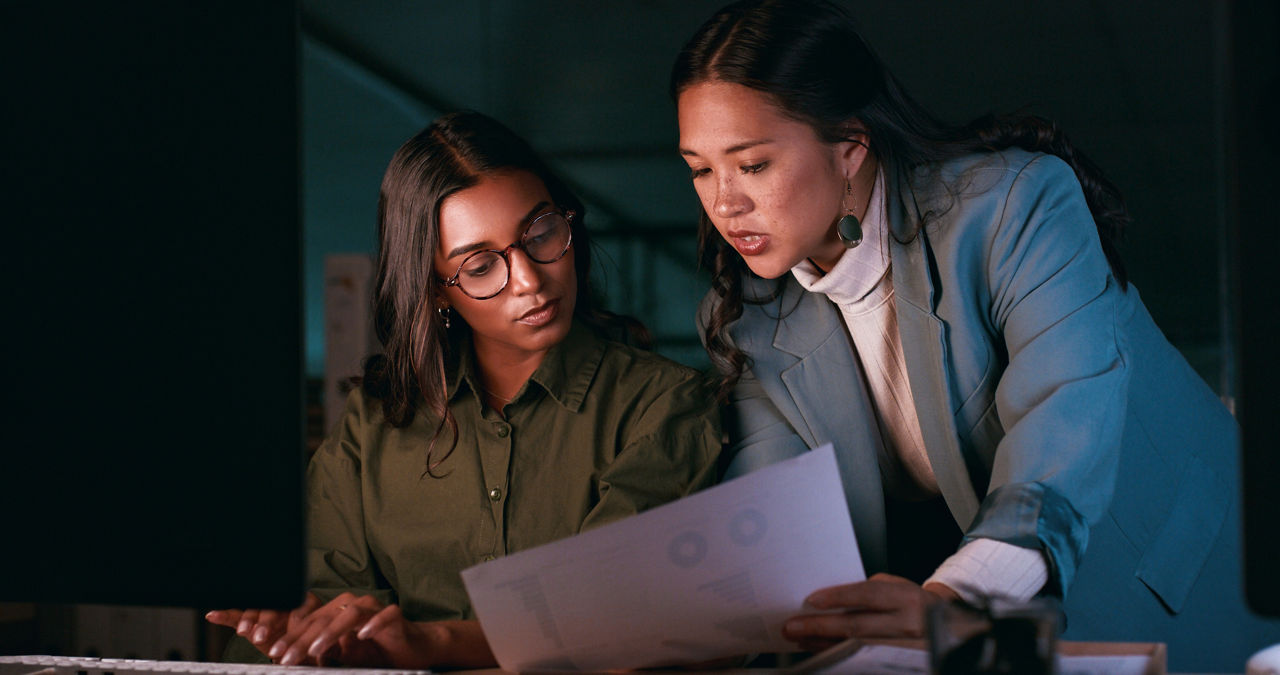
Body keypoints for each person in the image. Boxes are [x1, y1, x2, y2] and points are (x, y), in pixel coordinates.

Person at [671, 0, 1279, 671]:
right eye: (700, 169)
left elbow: (1063, 419)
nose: (723, 202)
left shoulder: (1012, 205)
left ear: (849, 148)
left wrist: (951, 601)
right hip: (1008, 621)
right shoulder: (749, 312)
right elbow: (777, 513)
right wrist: (705, 635)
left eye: (752, 164)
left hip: (1178, 554)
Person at [206, 110, 721, 669]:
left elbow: (610, 613)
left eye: (541, 233)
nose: (529, 280)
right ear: (435, 291)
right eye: (479, 267)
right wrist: (322, 634)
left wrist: (427, 642)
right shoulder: (375, 424)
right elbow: (326, 605)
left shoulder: (664, 407)